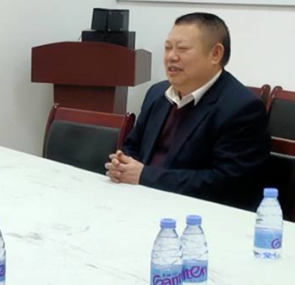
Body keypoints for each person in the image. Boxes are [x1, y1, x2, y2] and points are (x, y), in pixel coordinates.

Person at [106, 12, 270, 210]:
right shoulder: (157, 93)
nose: (171, 57)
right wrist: (121, 164)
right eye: (168, 48)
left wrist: (144, 176)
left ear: (215, 54)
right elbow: (132, 146)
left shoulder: (241, 108)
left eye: (182, 49)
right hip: (140, 200)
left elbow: (227, 183)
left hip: (198, 213)